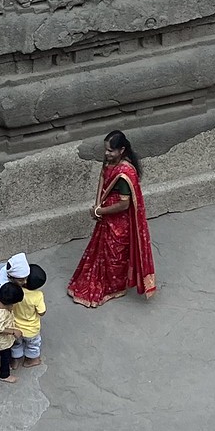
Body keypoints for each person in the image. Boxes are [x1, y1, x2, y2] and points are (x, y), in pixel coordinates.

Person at [68, 130, 157, 307]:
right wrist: (97, 206)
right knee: (100, 250)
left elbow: (124, 204)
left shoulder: (124, 174)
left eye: (110, 150)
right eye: (106, 149)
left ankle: (113, 287)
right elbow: (102, 178)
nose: (106, 153)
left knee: (115, 254)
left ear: (121, 150)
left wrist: (101, 211)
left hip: (118, 221)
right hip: (105, 213)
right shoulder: (110, 162)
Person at [8, 263, 45, 368]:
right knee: (33, 344)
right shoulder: (38, 295)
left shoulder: (15, 290)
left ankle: (15, 361)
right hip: (31, 329)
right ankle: (31, 360)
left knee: (16, 344)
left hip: (15, 327)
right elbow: (42, 312)